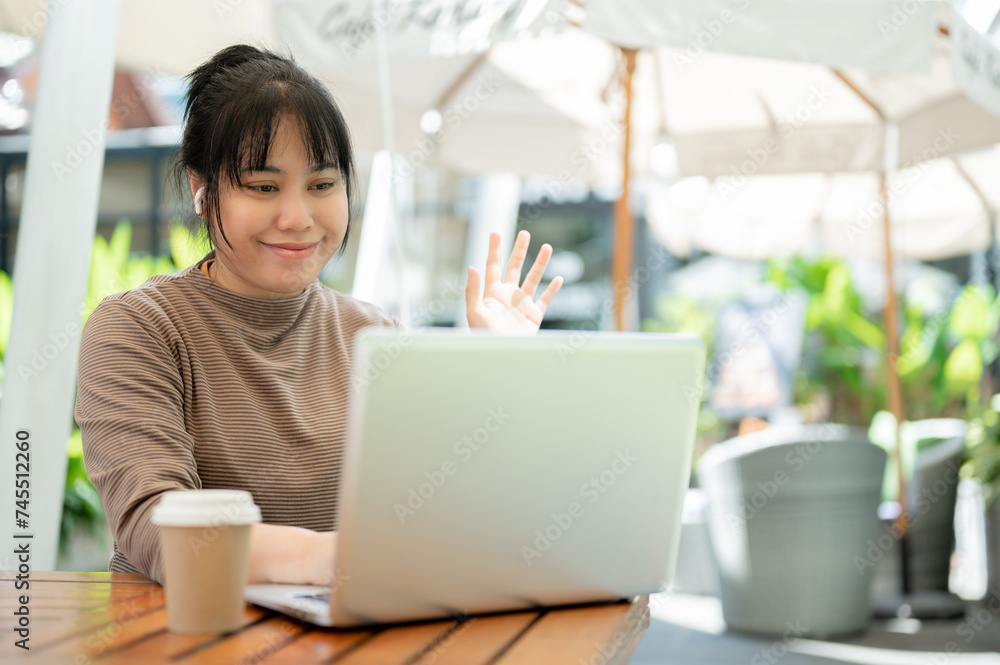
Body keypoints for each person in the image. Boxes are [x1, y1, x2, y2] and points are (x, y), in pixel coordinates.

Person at [75, 44, 563, 586]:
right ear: (201, 188)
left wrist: (503, 369)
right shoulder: (139, 329)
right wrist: (340, 560)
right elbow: (159, 529)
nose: (297, 217)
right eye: (263, 187)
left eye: (322, 185)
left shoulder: (376, 336)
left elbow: (453, 517)